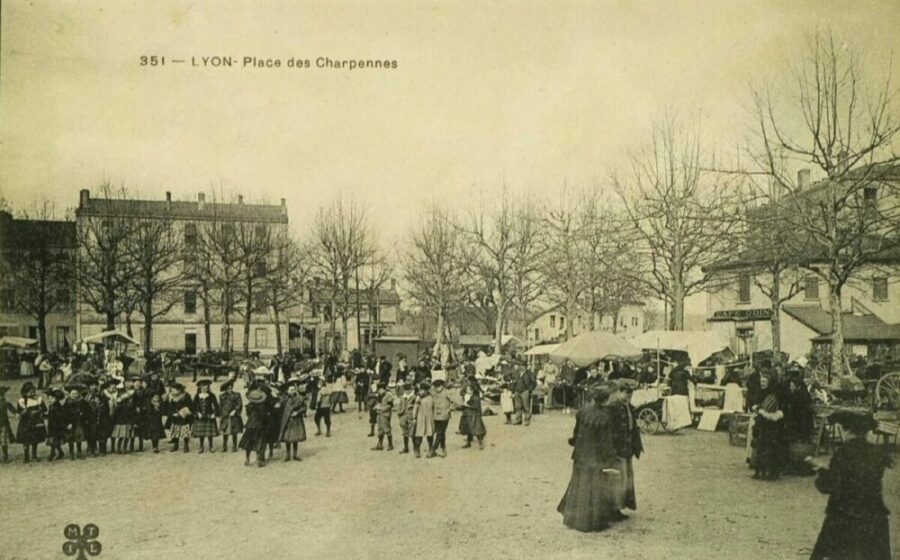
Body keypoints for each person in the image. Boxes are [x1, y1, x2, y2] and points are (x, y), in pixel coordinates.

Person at [808, 410, 892, 560]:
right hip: (874, 516)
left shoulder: (844, 453)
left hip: (844, 515)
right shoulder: (877, 453)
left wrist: (818, 468)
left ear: (846, 429)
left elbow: (829, 485)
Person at [557, 382, 627, 532]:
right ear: (606, 399)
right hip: (595, 458)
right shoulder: (604, 417)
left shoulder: (583, 412)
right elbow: (605, 442)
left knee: (578, 485)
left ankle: (573, 519)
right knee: (594, 488)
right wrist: (612, 458)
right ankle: (591, 522)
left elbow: (576, 434)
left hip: (580, 454)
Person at [611, 378, 643, 516]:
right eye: (626, 394)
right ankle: (614, 508)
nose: (628, 397)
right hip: (618, 448)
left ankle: (622, 504)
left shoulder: (627, 406)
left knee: (627, 478)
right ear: (618, 392)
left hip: (628, 447)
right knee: (619, 478)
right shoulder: (613, 408)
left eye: (630, 395)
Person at [750, 374, 785, 480]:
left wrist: (761, 409)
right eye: (761, 381)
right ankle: (758, 471)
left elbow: (772, 406)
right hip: (761, 423)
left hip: (770, 424)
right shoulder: (760, 392)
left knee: (768, 448)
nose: (762, 383)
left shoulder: (772, 394)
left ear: (769, 382)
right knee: (759, 447)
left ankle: (768, 472)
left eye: (764, 381)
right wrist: (755, 407)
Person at [782, 376, 815, 475]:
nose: (790, 388)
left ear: (798, 386)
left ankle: (795, 467)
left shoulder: (798, 397)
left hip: (800, 425)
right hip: (803, 424)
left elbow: (796, 412)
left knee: (796, 445)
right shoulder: (803, 395)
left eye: (792, 386)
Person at [239, 385, 269, 467]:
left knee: (249, 442)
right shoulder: (263, 406)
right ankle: (258, 460)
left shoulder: (249, 406)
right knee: (259, 442)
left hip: (250, 425)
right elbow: (264, 417)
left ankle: (247, 459)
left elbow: (248, 414)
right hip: (260, 426)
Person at [279, 380, 307, 462]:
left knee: (295, 437)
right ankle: (288, 454)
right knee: (287, 438)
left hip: (296, 420)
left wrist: (297, 412)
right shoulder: (285, 399)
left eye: (293, 390)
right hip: (287, 420)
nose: (292, 391)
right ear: (287, 391)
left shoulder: (299, 398)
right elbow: (280, 406)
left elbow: (304, 407)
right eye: (290, 390)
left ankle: (295, 454)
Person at [63, 385, 90, 460]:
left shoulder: (82, 402)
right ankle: (71, 453)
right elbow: (64, 414)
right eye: (73, 393)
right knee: (71, 438)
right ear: (70, 394)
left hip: (79, 423)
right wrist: (67, 424)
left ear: (78, 394)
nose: (74, 395)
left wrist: (83, 414)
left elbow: (87, 410)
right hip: (70, 423)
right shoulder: (67, 403)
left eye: (76, 393)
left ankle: (79, 452)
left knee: (79, 438)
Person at [459, 377, 486, 450]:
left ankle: (480, 443)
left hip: (474, 414)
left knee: (477, 429)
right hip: (467, 413)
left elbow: (476, 405)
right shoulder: (467, 391)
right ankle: (468, 442)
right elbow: (462, 393)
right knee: (468, 428)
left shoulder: (475, 395)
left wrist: (468, 405)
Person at [193, 379, 219, 454]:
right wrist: (197, 413)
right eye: (203, 388)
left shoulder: (211, 395)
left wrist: (214, 413)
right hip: (200, 416)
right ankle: (201, 446)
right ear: (200, 388)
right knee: (201, 433)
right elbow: (193, 406)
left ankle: (211, 446)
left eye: (206, 388)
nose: (205, 389)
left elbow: (216, 405)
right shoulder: (197, 396)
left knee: (209, 433)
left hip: (209, 415)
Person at [165, 383, 193, 453]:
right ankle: (175, 444)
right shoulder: (172, 397)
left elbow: (189, 406)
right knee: (175, 430)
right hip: (175, 417)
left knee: (185, 430)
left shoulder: (186, 396)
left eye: (174, 390)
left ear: (179, 390)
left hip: (184, 416)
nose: (172, 391)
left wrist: (182, 412)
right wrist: (172, 413)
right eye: (172, 390)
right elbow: (170, 407)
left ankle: (186, 445)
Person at [431, 378, 454, 457]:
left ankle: (433, 449)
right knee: (441, 433)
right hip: (435, 416)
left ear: (442, 386)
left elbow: (454, 402)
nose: (437, 389)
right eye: (435, 387)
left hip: (444, 416)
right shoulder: (433, 392)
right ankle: (443, 448)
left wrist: (449, 409)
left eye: (438, 387)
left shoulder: (447, 392)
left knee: (440, 432)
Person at [218, 379, 243, 452]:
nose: (230, 389)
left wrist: (235, 410)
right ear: (225, 389)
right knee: (225, 431)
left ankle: (234, 446)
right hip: (225, 415)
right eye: (228, 388)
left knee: (234, 431)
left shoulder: (236, 395)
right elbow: (220, 406)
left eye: (231, 388)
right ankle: (224, 446)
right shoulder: (222, 396)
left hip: (234, 416)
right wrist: (220, 415)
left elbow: (239, 404)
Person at [412, 381, 435, 458]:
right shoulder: (418, 398)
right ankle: (417, 449)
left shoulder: (431, 398)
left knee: (430, 434)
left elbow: (434, 408)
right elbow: (415, 408)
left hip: (429, 418)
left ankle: (431, 449)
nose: (420, 392)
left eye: (422, 390)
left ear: (426, 391)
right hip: (421, 418)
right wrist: (414, 417)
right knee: (419, 434)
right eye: (420, 390)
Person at [371, 382, 395, 451]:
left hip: (385, 414)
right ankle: (380, 444)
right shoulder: (379, 396)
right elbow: (377, 403)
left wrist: (381, 408)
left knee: (386, 429)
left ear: (385, 389)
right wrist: (376, 407)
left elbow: (390, 406)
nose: (380, 391)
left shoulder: (388, 396)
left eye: (381, 390)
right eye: (379, 390)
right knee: (380, 429)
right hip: (379, 414)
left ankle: (390, 444)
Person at [45, 389, 67, 461]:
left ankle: (53, 453)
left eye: (52, 398)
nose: (50, 400)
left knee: (54, 440)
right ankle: (59, 452)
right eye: (49, 398)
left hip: (57, 426)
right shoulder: (51, 406)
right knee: (54, 440)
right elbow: (50, 416)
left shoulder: (59, 407)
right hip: (52, 426)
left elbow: (60, 417)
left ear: (57, 399)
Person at [395, 381, 415, 454]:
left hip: (411, 417)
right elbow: (399, 406)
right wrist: (399, 414)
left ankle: (416, 448)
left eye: (408, 390)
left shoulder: (414, 397)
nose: (407, 392)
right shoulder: (402, 397)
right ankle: (406, 447)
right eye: (405, 390)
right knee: (404, 432)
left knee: (412, 433)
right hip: (403, 416)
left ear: (411, 390)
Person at [0, 385, 15, 464]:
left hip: (3, 424)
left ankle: (5, 457)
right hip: (3, 424)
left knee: (4, 441)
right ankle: (5, 458)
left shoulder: (5, 403)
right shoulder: (5, 403)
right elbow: (13, 410)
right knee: (4, 441)